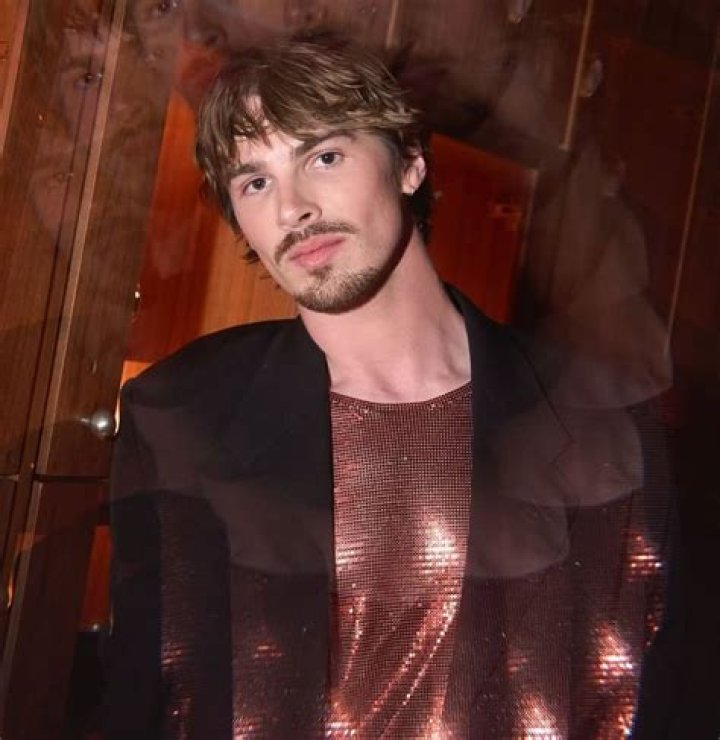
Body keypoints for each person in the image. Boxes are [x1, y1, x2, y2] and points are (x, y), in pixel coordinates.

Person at [106, 32, 677, 739]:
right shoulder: (179, 415)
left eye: (324, 156)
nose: (292, 209)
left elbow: (656, 695)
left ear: (409, 163)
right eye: (255, 182)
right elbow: (142, 703)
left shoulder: (598, 416)